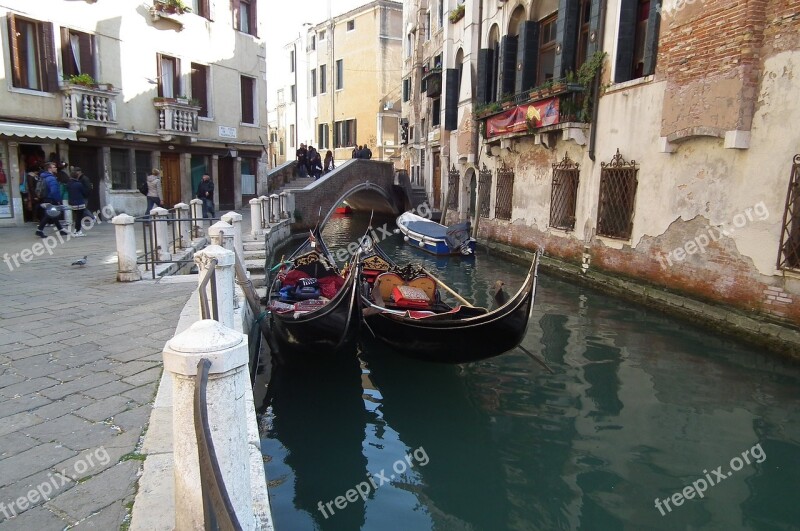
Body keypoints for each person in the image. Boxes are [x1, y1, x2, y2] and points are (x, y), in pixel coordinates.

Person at [35, 162, 68, 237]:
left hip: (46, 198)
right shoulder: (51, 178)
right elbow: (54, 191)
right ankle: (39, 230)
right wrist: (58, 200)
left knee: (53, 215)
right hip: (51, 199)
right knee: (49, 215)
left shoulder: (44, 177)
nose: (56, 168)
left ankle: (60, 230)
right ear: (49, 169)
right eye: (54, 167)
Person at [66, 169, 88, 236]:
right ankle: (78, 231)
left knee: (77, 217)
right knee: (79, 218)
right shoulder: (79, 184)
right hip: (79, 202)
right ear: (77, 176)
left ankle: (77, 230)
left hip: (72, 203)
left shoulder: (68, 184)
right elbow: (84, 192)